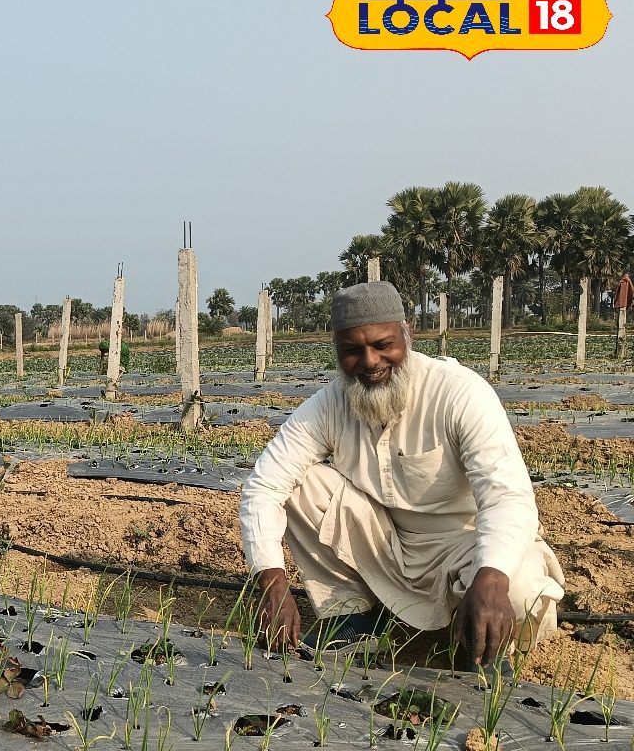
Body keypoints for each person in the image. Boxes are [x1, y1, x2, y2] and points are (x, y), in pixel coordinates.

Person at [239, 281, 563, 666]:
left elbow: (506, 497)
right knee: (301, 486)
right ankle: (353, 614)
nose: (370, 361)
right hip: (387, 545)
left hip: (462, 548)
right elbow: (264, 487)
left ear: (405, 337)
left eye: (382, 345)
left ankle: (479, 641)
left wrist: (491, 576)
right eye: (352, 351)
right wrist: (272, 581)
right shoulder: (330, 405)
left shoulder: (459, 394)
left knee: (518, 589)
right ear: (338, 353)